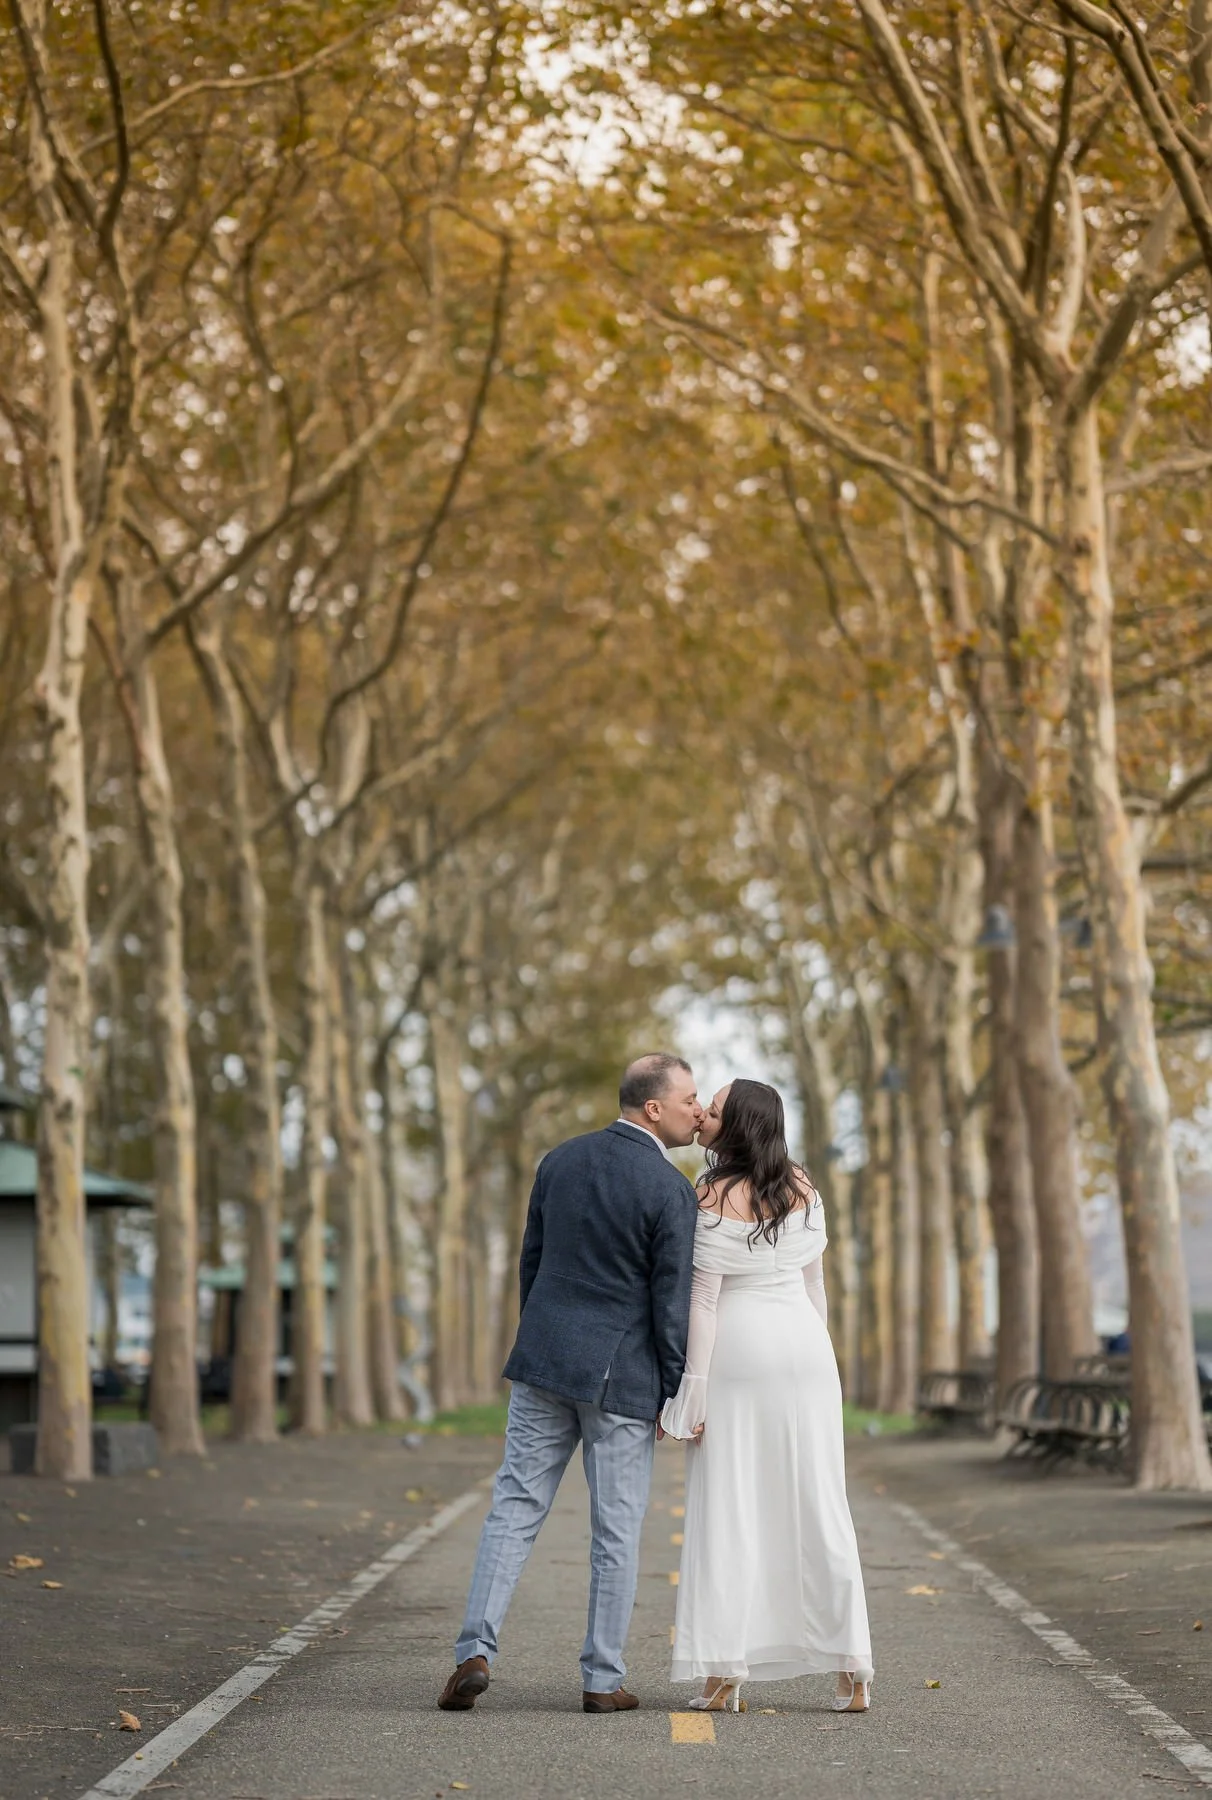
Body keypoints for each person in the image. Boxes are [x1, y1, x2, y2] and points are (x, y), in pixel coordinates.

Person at [438, 1052, 702, 1715]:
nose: (697, 1111)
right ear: (653, 1108)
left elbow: (533, 1262)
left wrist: (544, 1337)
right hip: (620, 1378)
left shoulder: (558, 1161)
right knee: (615, 1530)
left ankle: (474, 1650)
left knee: (514, 1507)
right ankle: (601, 1680)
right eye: (689, 1099)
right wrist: (677, 1392)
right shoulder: (670, 1191)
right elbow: (670, 1305)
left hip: (544, 1362)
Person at [660, 1078, 873, 1714]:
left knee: (731, 1505)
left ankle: (724, 1672)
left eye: (715, 1111)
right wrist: (823, 1359)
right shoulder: (804, 1186)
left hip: (741, 1355)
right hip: (808, 1354)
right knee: (821, 1502)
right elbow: (817, 1288)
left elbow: (702, 1301)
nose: (704, 1116)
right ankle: (853, 1669)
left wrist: (689, 1393)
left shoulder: (713, 1193)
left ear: (737, 1127)